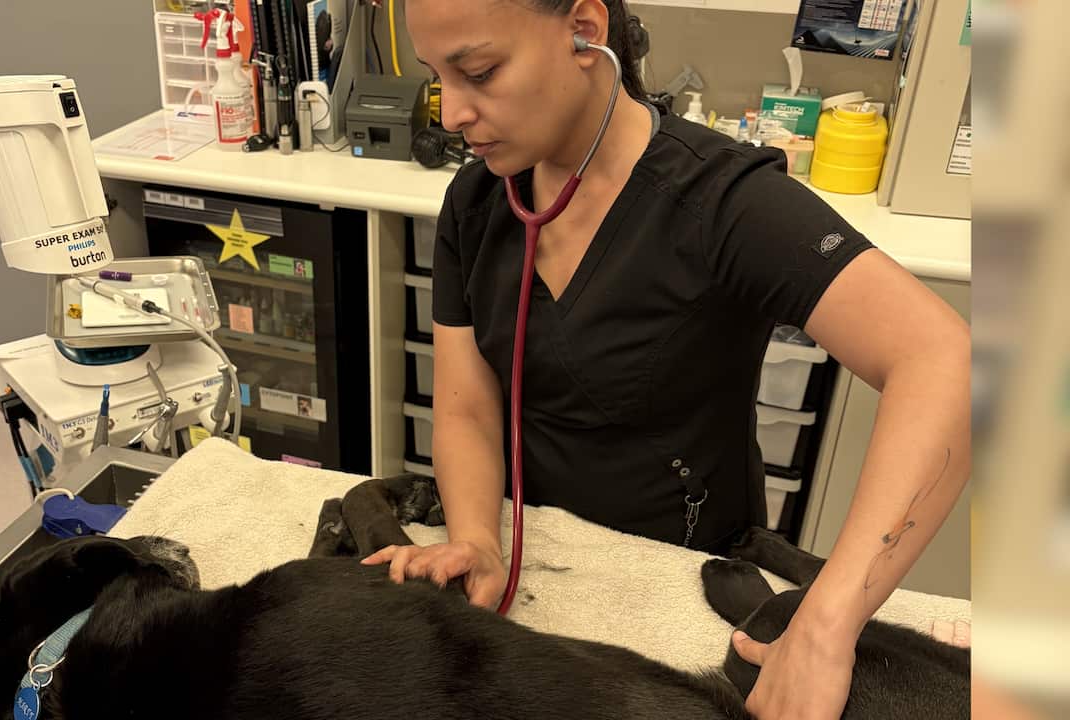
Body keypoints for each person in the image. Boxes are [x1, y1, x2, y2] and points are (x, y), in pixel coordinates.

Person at [361, 1, 970, 719]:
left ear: (584, 30)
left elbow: (945, 363)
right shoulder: (477, 202)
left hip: (685, 582)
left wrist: (828, 621)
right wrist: (475, 540)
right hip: (543, 566)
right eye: (438, 76)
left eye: (481, 72)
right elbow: (467, 409)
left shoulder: (725, 202)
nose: (454, 113)